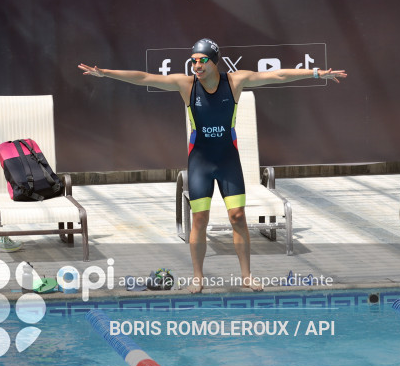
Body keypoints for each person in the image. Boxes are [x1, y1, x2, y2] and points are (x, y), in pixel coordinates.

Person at [79, 39, 347, 293]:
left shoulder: (235, 81)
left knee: (238, 217)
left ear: (215, 61)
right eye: (193, 61)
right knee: (199, 219)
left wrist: (316, 74)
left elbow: (277, 76)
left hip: (228, 159)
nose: (196, 66)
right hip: (201, 161)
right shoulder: (186, 86)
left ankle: (246, 276)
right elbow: (143, 78)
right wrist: (105, 73)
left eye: (202, 60)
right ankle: (198, 277)